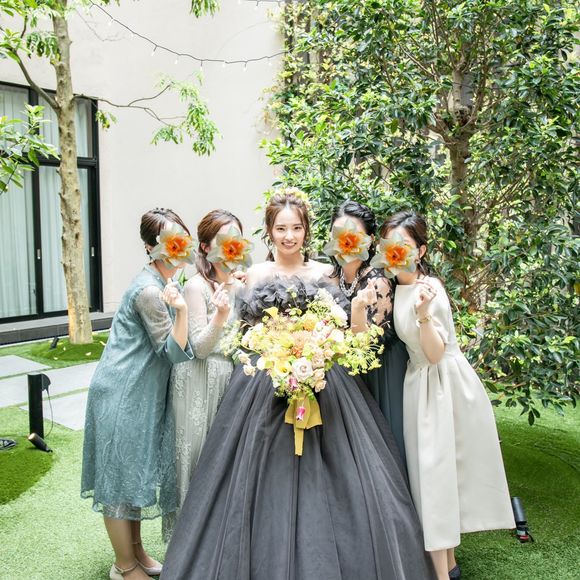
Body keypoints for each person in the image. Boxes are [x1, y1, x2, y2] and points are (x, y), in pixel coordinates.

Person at [161, 191, 435, 580]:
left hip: (324, 377)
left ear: (307, 231)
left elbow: (341, 323)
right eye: (280, 228)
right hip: (264, 383)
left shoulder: (325, 273)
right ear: (269, 231)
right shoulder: (252, 274)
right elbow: (241, 331)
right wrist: (274, 349)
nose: (289, 236)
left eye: (296, 228)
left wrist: (317, 349)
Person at [380, 211, 515, 580]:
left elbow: (436, 353)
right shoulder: (396, 286)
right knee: (432, 477)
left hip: (441, 386)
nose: (395, 252)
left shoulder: (429, 289)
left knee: (435, 479)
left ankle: (440, 574)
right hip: (420, 385)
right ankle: (449, 566)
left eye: (404, 245)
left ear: (421, 250)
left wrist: (423, 315)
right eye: (390, 245)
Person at [81, 208, 194, 580]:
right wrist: (182, 312)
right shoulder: (150, 291)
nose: (178, 247)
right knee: (119, 482)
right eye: (169, 241)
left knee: (133, 477)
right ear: (150, 247)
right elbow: (172, 351)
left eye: (182, 238)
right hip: (122, 393)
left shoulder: (163, 282)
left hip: (139, 393)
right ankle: (124, 565)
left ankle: (137, 553)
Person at [162, 210, 244, 540]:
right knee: (195, 459)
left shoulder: (240, 283)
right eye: (223, 239)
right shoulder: (196, 287)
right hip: (199, 378)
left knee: (221, 462)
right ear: (207, 247)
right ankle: (188, 543)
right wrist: (220, 316)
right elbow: (198, 347)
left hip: (229, 379)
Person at [325, 200, 409, 467]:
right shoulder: (330, 277)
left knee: (379, 452)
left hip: (377, 373)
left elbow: (364, 349)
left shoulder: (377, 282)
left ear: (370, 240)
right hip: (343, 373)